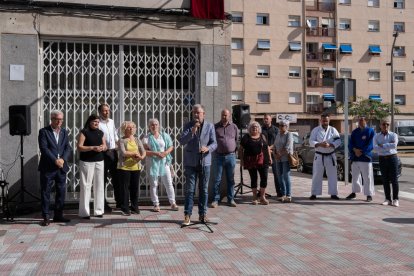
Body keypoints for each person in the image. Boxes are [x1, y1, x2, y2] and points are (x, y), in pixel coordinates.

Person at [179, 104, 217, 226]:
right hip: (190, 163)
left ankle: (203, 214)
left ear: (203, 114)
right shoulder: (188, 126)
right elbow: (181, 141)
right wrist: (192, 131)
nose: (196, 115)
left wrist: (208, 148)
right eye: (194, 113)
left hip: (205, 162)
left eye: (198, 113)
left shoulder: (210, 126)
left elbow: (214, 143)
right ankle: (187, 215)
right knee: (190, 190)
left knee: (204, 190)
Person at [38, 110, 72, 226]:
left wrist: (63, 159)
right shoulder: (44, 132)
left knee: (61, 192)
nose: (59, 122)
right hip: (48, 167)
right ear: (51, 119)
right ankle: (46, 216)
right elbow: (44, 148)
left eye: (61, 119)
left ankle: (58, 215)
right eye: (57, 119)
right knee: (46, 192)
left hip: (61, 167)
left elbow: (68, 147)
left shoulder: (64, 132)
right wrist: (55, 160)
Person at [142, 118, 179, 212]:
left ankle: (173, 203)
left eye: (156, 124)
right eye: (152, 125)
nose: (154, 126)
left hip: (164, 162)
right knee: (154, 184)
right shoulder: (146, 138)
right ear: (149, 126)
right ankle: (156, 204)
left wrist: (165, 153)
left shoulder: (164, 135)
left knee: (168, 183)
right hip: (152, 163)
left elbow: (171, 146)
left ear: (159, 125)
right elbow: (145, 151)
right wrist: (156, 153)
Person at [77, 114, 107, 219]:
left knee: (99, 185)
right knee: (86, 186)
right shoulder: (84, 132)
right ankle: (84, 212)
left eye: (98, 122)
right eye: (94, 121)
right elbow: (79, 147)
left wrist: (102, 147)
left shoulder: (100, 132)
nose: (96, 123)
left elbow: (105, 145)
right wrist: (92, 147)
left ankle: (99, 211)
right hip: (86, 161)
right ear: (89, 122)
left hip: (99, 161)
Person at [210, 109, 239, 208]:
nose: (224, 117)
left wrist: (234, 151)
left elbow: (236, 139)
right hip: (218, 157)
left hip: (231, 156)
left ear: (229, 116)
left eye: (226, 115)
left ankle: (231, 199)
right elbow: (212, 140)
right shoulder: (215, 126)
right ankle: (215, 200)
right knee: (217, 179)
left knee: (231, 179)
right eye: (223, 115)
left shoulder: (234, 127)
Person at [309, 113, 342, 200]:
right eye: (323, 120)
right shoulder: (316, 130)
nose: (325, 122)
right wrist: (319, 144)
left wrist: (331, 145)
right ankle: (314, 193)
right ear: (321, 120)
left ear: (329, 120)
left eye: (326, 120)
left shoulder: (333, 130)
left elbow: (338, 141)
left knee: (333, 175)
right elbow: (311, 141)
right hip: (319, 156)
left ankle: (333, 193)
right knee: (316, 174)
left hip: (330, 155)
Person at [239, 121, 272, 205]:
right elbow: (240, 149)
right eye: (253, 126)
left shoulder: (263, 136)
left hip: (263, 161)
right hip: (251, 161)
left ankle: (262, 197)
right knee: (254, 179)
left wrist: (270, 158)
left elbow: (267, 147)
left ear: (259, 128)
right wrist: (242, 160)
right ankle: (254, 197)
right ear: (250, 128)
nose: (255, 128)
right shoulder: (246, 137)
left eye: (256, 126)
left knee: (264, 178)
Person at [117, 121, 146, 215]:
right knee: (125, 189)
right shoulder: (122, 140)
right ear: (124, 129)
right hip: (124, 167)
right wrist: (134, 154)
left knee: (134, 188)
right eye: (129, 127)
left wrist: (141, 157)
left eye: (133, 127)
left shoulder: (137, 139)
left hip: (136, 167)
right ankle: (125, 208)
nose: (131, 129)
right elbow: (123, 152)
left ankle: (134, 207)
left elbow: (143, 151)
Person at [346, 116, 375, 202]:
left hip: (365, 157)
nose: (361, 121)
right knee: (355, 176)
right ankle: (354, 192)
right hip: (355, 157)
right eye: (359, 120)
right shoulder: (355, 132)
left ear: (366, 120)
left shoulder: (370, 131)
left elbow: (371, 144)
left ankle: (369, 194)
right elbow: (350, 143)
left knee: (367, 177)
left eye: (362, 120)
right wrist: (354, 150)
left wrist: (361, 151)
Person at [374, 117, 400, 207]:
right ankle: (387, 199)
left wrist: (382, 145)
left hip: (392, 158)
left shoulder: (393, 135)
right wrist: (387, 146)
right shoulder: (376, 136)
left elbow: (394, 145)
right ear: (380, 125)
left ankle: (396, 199)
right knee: (385, 179)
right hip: (382, 158)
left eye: (387, 124)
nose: (386, 126)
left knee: (394, 180)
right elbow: (375, 147)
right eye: (384, 124)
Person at [98, 104, 119, 211]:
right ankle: (103, 204)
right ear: (100, 112)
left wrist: (119, 144)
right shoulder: (97, 123)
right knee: (102, 179)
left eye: (108, 110)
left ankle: (119, 202)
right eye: (104, 111)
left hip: (113, 152)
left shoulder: (111, 121)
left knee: (117, 178)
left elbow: (114, 135)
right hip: (103, 153)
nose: (106, 112)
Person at [261, 114, 281, 198]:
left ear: (271, 119)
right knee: (263, 175)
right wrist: (266, 148)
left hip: (274, 154)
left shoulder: (276, 129)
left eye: (267, 119)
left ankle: (279, 192)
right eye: (264, 119)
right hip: (264, 154)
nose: (265, 120)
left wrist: (270, 147)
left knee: (276, 174)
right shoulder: (261, 129)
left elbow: (278, 141)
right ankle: (262, 193)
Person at [273, 120, 293, 203]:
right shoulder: (278, 134)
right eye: (280, 125)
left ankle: (288, 195)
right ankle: (283, 194)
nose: (281, 127)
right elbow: (275, 145)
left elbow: (287, 147)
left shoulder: (289, 134)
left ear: (287, 126)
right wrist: (275, 153)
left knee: (286, 176)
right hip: (278, 159)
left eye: (283, 125)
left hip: (285, 159)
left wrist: (279, 154)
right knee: (279, 177)